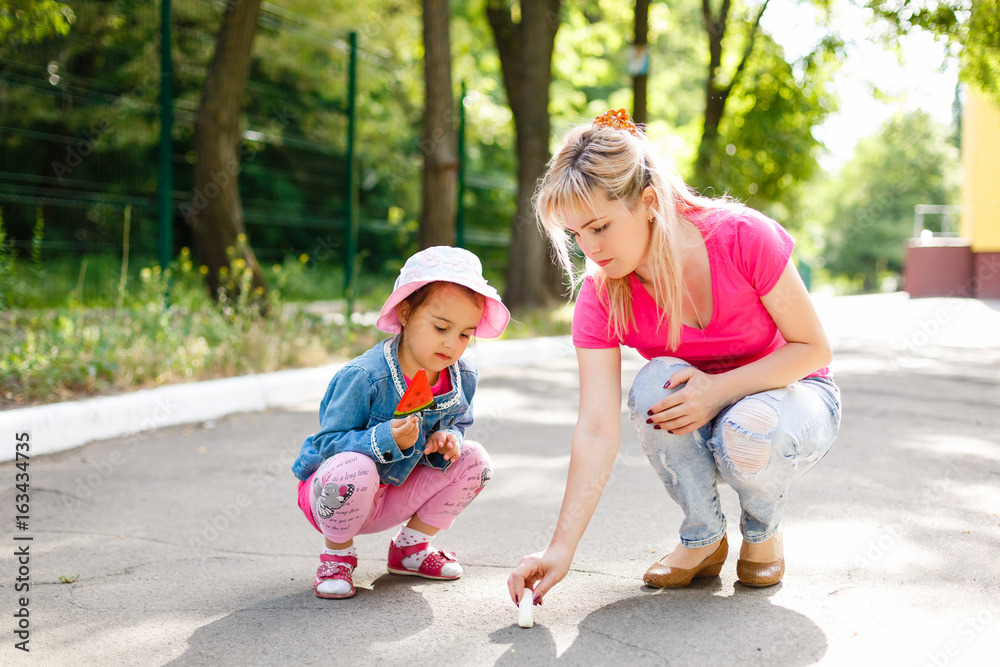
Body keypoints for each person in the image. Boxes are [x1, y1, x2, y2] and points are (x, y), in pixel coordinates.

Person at [507, 109, 841, 607]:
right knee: (653, 383)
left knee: (749, 424)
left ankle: (763, 531)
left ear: (647, 202)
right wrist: (561, 547)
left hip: (792, 402)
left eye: (599, 227)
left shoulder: (744, 236)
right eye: (577, 235)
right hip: (704, 416)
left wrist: (718, 391)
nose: (590, 249)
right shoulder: (602, 296)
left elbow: (813, 348)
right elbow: (597, 427)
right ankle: (703, 538)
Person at [292, 246, 509, 599]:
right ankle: (337, 556)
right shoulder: (365, 376)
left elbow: (458, 423)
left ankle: (411, 549)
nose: (452, 344)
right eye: (441, 327)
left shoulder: (462, 377)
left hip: (394, 494)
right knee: (355, 467)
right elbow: (325, 445)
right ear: (406, 313)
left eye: (465, 334)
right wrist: (383, 439)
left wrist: (447, 439)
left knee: (476, 459)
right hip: (335, 495)